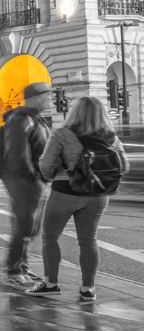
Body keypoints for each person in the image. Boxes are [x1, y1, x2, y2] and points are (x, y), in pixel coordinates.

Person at [30, 95, 127, 302]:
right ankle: (87, 289)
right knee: (89, 240)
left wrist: (57, 173)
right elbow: (124, 167)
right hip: (98, 195)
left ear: (75, 112)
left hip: (66, 191)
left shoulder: (62, 134)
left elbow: (46, 167)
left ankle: (51, 284)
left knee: (50, 237)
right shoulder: (111, 136)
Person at [1, 82, 53, 287]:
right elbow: (17, 154)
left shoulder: (33, 119)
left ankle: (21, 266)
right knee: (24, 225)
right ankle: (13, 270)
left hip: (33, 180)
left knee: (30, 227)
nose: (48, 100)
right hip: (24, 181)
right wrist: (33, 178)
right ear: (36, 98)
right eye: (46, 97)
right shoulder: (21, 120)